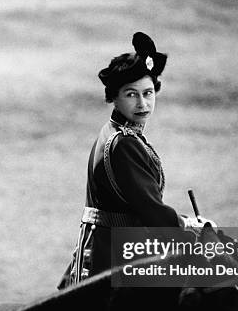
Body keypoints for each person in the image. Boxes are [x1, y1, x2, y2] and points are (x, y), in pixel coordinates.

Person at [59, 31, 214, 287]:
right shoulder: (125, 144)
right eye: (131, 94)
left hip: (102, 244)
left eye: (149, 93)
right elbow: (151, 211)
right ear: (114, 97)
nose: (143, 103)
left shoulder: (113, 131)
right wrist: (193, 229)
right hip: (116, 258)